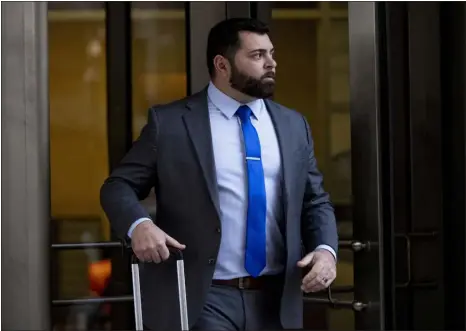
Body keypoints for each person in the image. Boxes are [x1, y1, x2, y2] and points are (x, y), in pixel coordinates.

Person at [100, 17, 338, 331]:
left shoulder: (294, 126)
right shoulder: (171, 124)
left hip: (278, 300)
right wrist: (139, 225)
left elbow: (315, 201)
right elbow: (117, 186)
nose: (271, 63)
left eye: (271, 53)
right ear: (222, 64)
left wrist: (325, 250)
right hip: (206, 297)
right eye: (257, 56)